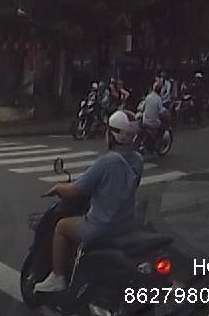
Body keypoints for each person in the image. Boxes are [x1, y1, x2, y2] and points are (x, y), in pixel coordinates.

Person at [34, 109, 143, 293]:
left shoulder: (107, 162)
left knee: (61, 227)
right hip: (126, 223)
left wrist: (58, 187)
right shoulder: (138, 160)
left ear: (112, 135)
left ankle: (58, 277)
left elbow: (75, 190)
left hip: (103, 225)